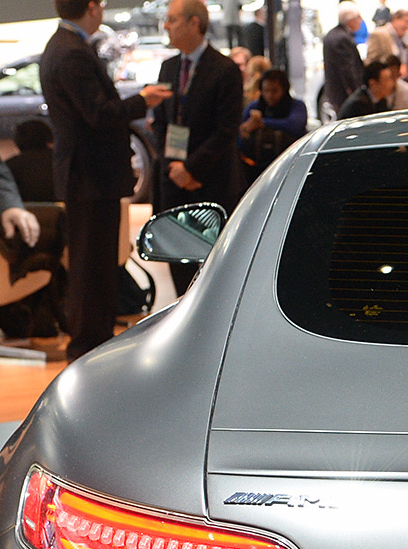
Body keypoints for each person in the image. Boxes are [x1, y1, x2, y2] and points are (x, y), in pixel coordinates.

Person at [40, 0, 173, 360]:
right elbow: (99, 113)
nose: (100, 9)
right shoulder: (71, 52)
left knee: (94, 263)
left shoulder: (66, 47)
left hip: (89, 176)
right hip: (90, 176)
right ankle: (88, 344)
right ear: (90, 8)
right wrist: (143, 100)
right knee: (91, 265)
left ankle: (93, 340)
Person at [153, 0, 244, 295]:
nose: (166, 26)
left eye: (171, 19)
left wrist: (190, 169)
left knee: (214, 271)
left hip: (210, 181)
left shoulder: (225, 69)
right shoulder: (168, 67)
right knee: (177, 262)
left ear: (194, 23)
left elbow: (226, 130)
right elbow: (161, 124)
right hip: (174, 182)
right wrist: (173, 168)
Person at [240, 66, 307, 180]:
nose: (270, 95)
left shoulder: (296, 106)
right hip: (257, 167)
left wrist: (263, 123)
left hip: (291, 164)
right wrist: (247, 128)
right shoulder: (254, 107)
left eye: (274, 91)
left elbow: (295, 125)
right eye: (266, 91)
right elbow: (241, 136)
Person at [322, 3, 366, 119]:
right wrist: (357, 93)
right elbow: (347, 69)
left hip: (334, 92)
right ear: (350, 19)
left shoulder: (331, 35)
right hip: (344, 94)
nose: (361, 21)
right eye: (358, 17)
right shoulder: (343, 38)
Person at [5, 118, 56, 203]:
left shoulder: (9, 166)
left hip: (22, 214)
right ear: (50, 139)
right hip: (63, 214)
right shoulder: (62, 164)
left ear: (17, 142)